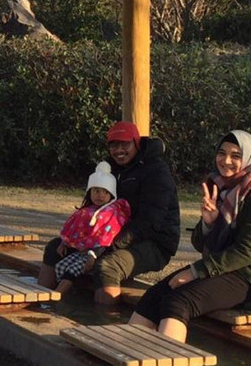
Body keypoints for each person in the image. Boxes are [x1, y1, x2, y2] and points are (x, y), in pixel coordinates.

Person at [130, 130, 251, 342]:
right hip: (228, 271)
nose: (226, 161)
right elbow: (199, 243)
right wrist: (209, 223)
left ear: (249, 158)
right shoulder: (221, 190)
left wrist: (196, 271)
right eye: (222, 153)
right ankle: (127, 356)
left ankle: (165, 364)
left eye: (236, 156)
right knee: (154, 296)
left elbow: (247, 252)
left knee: (178, 301)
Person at [39, 121, 179, 303]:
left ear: (136, 142)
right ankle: (38, 303)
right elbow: (90, 206)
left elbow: (150, 222)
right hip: (108, 235)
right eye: (114, 145)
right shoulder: (108, 167)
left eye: (125, 144)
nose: (119, 150)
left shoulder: (156, 171)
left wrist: (103, 248)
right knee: (54, 248)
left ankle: (106, 323)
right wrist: (71, 239)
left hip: (154, 241)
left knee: (107, 265)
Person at [46, 161, 131, 295]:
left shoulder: (111, 214)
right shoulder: (86, 212)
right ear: (89, 192)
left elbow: (106, 237)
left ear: (111, 195)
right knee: (60, 266)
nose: (100, 195)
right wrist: (65, 242)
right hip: (81, 251)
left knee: (72, 270)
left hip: (97, 253)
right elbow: (73, 228)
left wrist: (93, 255)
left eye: (105, 192)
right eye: (96, 191)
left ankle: (57, 295)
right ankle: (68, 293)